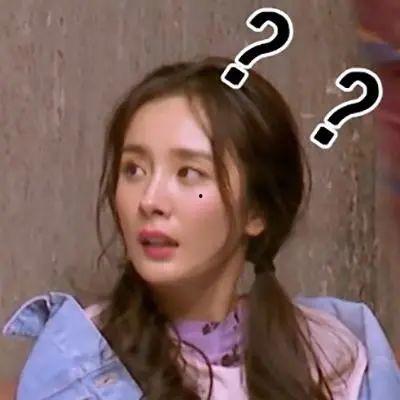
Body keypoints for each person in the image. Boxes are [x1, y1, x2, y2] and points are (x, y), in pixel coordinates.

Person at [2, 56, 400, 399]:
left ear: (256, 210)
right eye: (134, 170)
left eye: (189, 173)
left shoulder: (335, 359)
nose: (150, 200)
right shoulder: (78, 365)